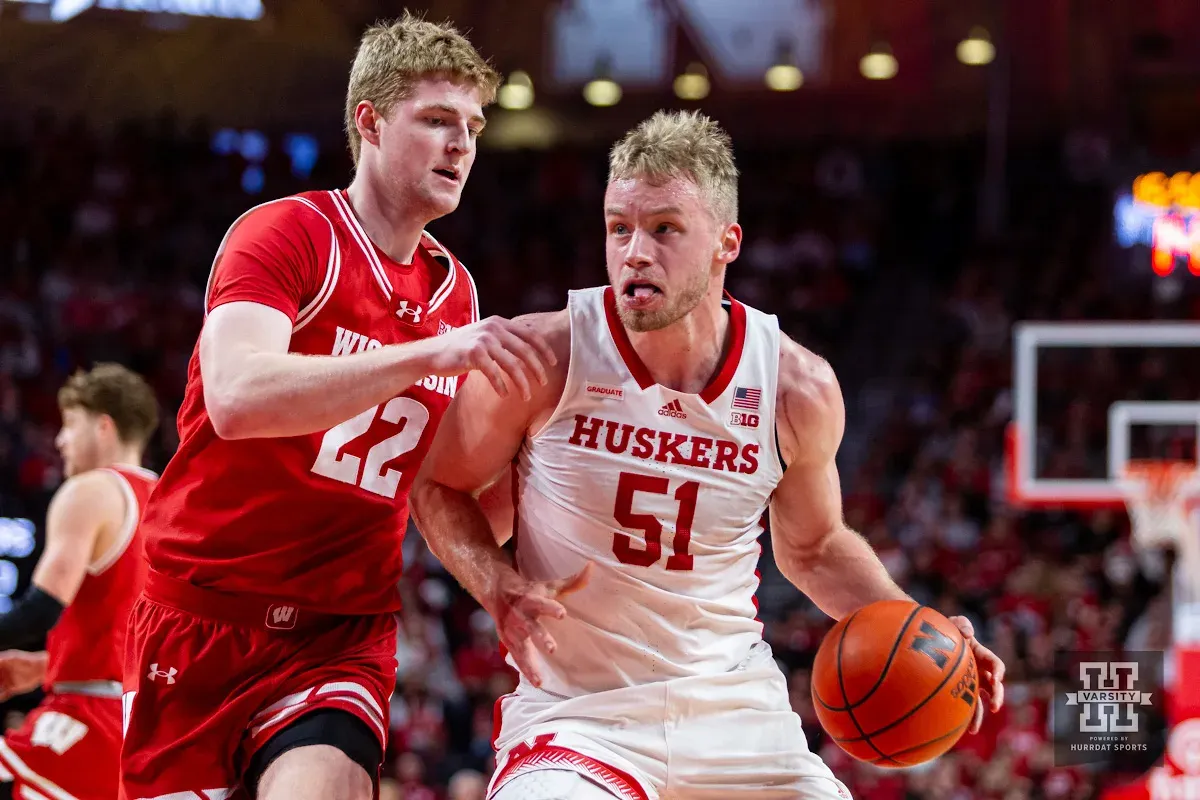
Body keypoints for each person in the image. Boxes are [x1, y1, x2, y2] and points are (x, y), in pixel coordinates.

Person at [410, 110, 1007, 800]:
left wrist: (924, 626)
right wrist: (494, 582)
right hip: (579, 719)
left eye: (664, 228)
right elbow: (438, 486)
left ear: (727, 243)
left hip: (737, 717)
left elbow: (812, 550)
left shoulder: (794, 387)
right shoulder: (543, 357)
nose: (635, 251)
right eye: (618, 228)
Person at [118, 13, 554, 800]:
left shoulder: (456, 294)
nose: (462, 144)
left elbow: (443, 493)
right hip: (201, 613)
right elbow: (237, 398)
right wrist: (426, 357)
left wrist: (514, 532)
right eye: (436, 121)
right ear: (370, 122)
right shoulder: (287, 233)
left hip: (338, 635)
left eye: (473, 126)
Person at [0, 364, 159, 800]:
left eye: (69, 425)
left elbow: (40, 610)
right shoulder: (172, 502)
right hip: (146, 727)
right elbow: (135, 637)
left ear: (102, 425)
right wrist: (48, 666)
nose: (59, 441)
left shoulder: (90, 490)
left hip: (85, 720)